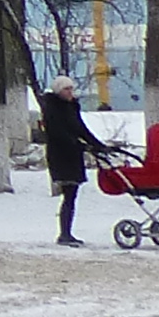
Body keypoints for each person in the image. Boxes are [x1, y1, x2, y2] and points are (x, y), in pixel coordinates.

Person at [38, 79, 96, 247]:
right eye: (66, 89)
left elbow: (81, 129)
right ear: (58, 91)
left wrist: (97, 145)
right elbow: (57, 133)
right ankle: (64, 234)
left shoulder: (72, 107)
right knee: (69, 194)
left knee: (72, 195)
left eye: (71, 88)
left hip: (74, 154)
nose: (70, 92)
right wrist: (78, 144)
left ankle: (67, 233)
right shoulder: (52, 109)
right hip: (61, 155)